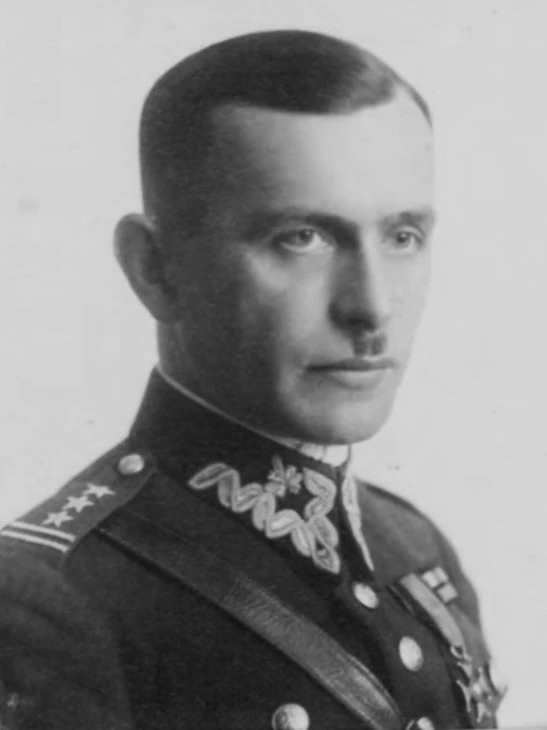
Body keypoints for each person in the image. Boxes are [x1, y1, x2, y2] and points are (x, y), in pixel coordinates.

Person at [0, 30, 507, 730]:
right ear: (154, 269)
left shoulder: (411, 546)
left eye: (402, 237)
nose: (372, 307)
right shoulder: (48, 601)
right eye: (302, 237)